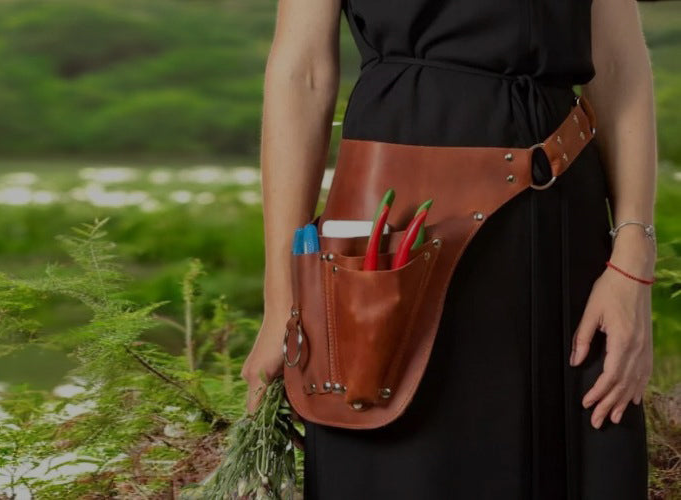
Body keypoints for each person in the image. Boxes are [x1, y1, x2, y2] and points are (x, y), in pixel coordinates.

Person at [241, 0, 658, 497]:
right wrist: (283, 301)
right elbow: (302, 72)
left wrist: (632, 260)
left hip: (562, 224)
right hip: (396, 226)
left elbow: (616, 62)